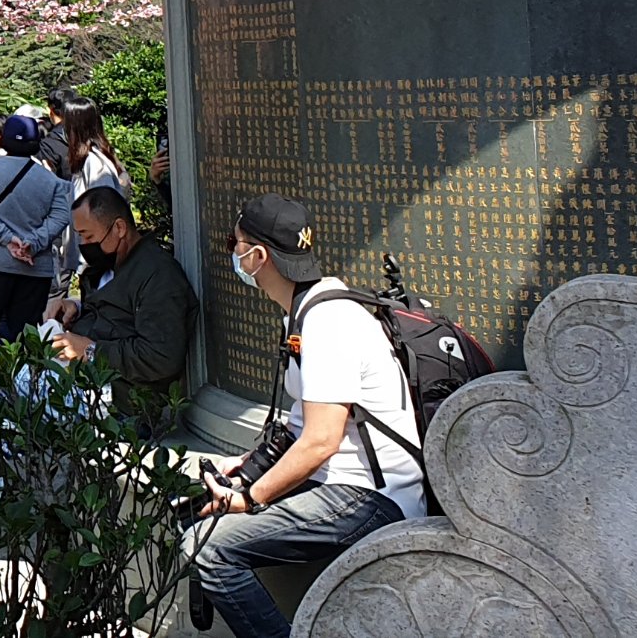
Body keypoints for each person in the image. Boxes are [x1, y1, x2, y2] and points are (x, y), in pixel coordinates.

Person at [189, 196, 425, 638]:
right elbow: (303, 426)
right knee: (197, 510)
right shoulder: (306, 312)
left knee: (209, 548)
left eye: (233, 244)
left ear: (257, 257)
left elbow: (321, 441)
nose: (232, 254)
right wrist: (248, 465)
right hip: (339, 484)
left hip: (373, 497)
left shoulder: (328, 322)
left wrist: (251, 497)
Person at [47, 186, 196, 400]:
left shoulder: (158, 275)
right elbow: (107, 309)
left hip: (123, 399)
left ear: (119, 228)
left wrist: (91, 351)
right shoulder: (106, 265)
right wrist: (75, 307)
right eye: (80, 237)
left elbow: (160, 356)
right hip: (86, 383)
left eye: (88, 236)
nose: (84, 245)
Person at [0, 113, 69, 346]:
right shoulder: (50, 180)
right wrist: (33, 242)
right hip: (35, 270)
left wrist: (7, 238)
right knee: (24, 341)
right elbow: (61, 215)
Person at [46, 91, 129, 286]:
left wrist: (92, 254)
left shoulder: (95, 163)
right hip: (92, 256)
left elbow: (103, 210)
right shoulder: (89, 160)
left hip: (97, 258)